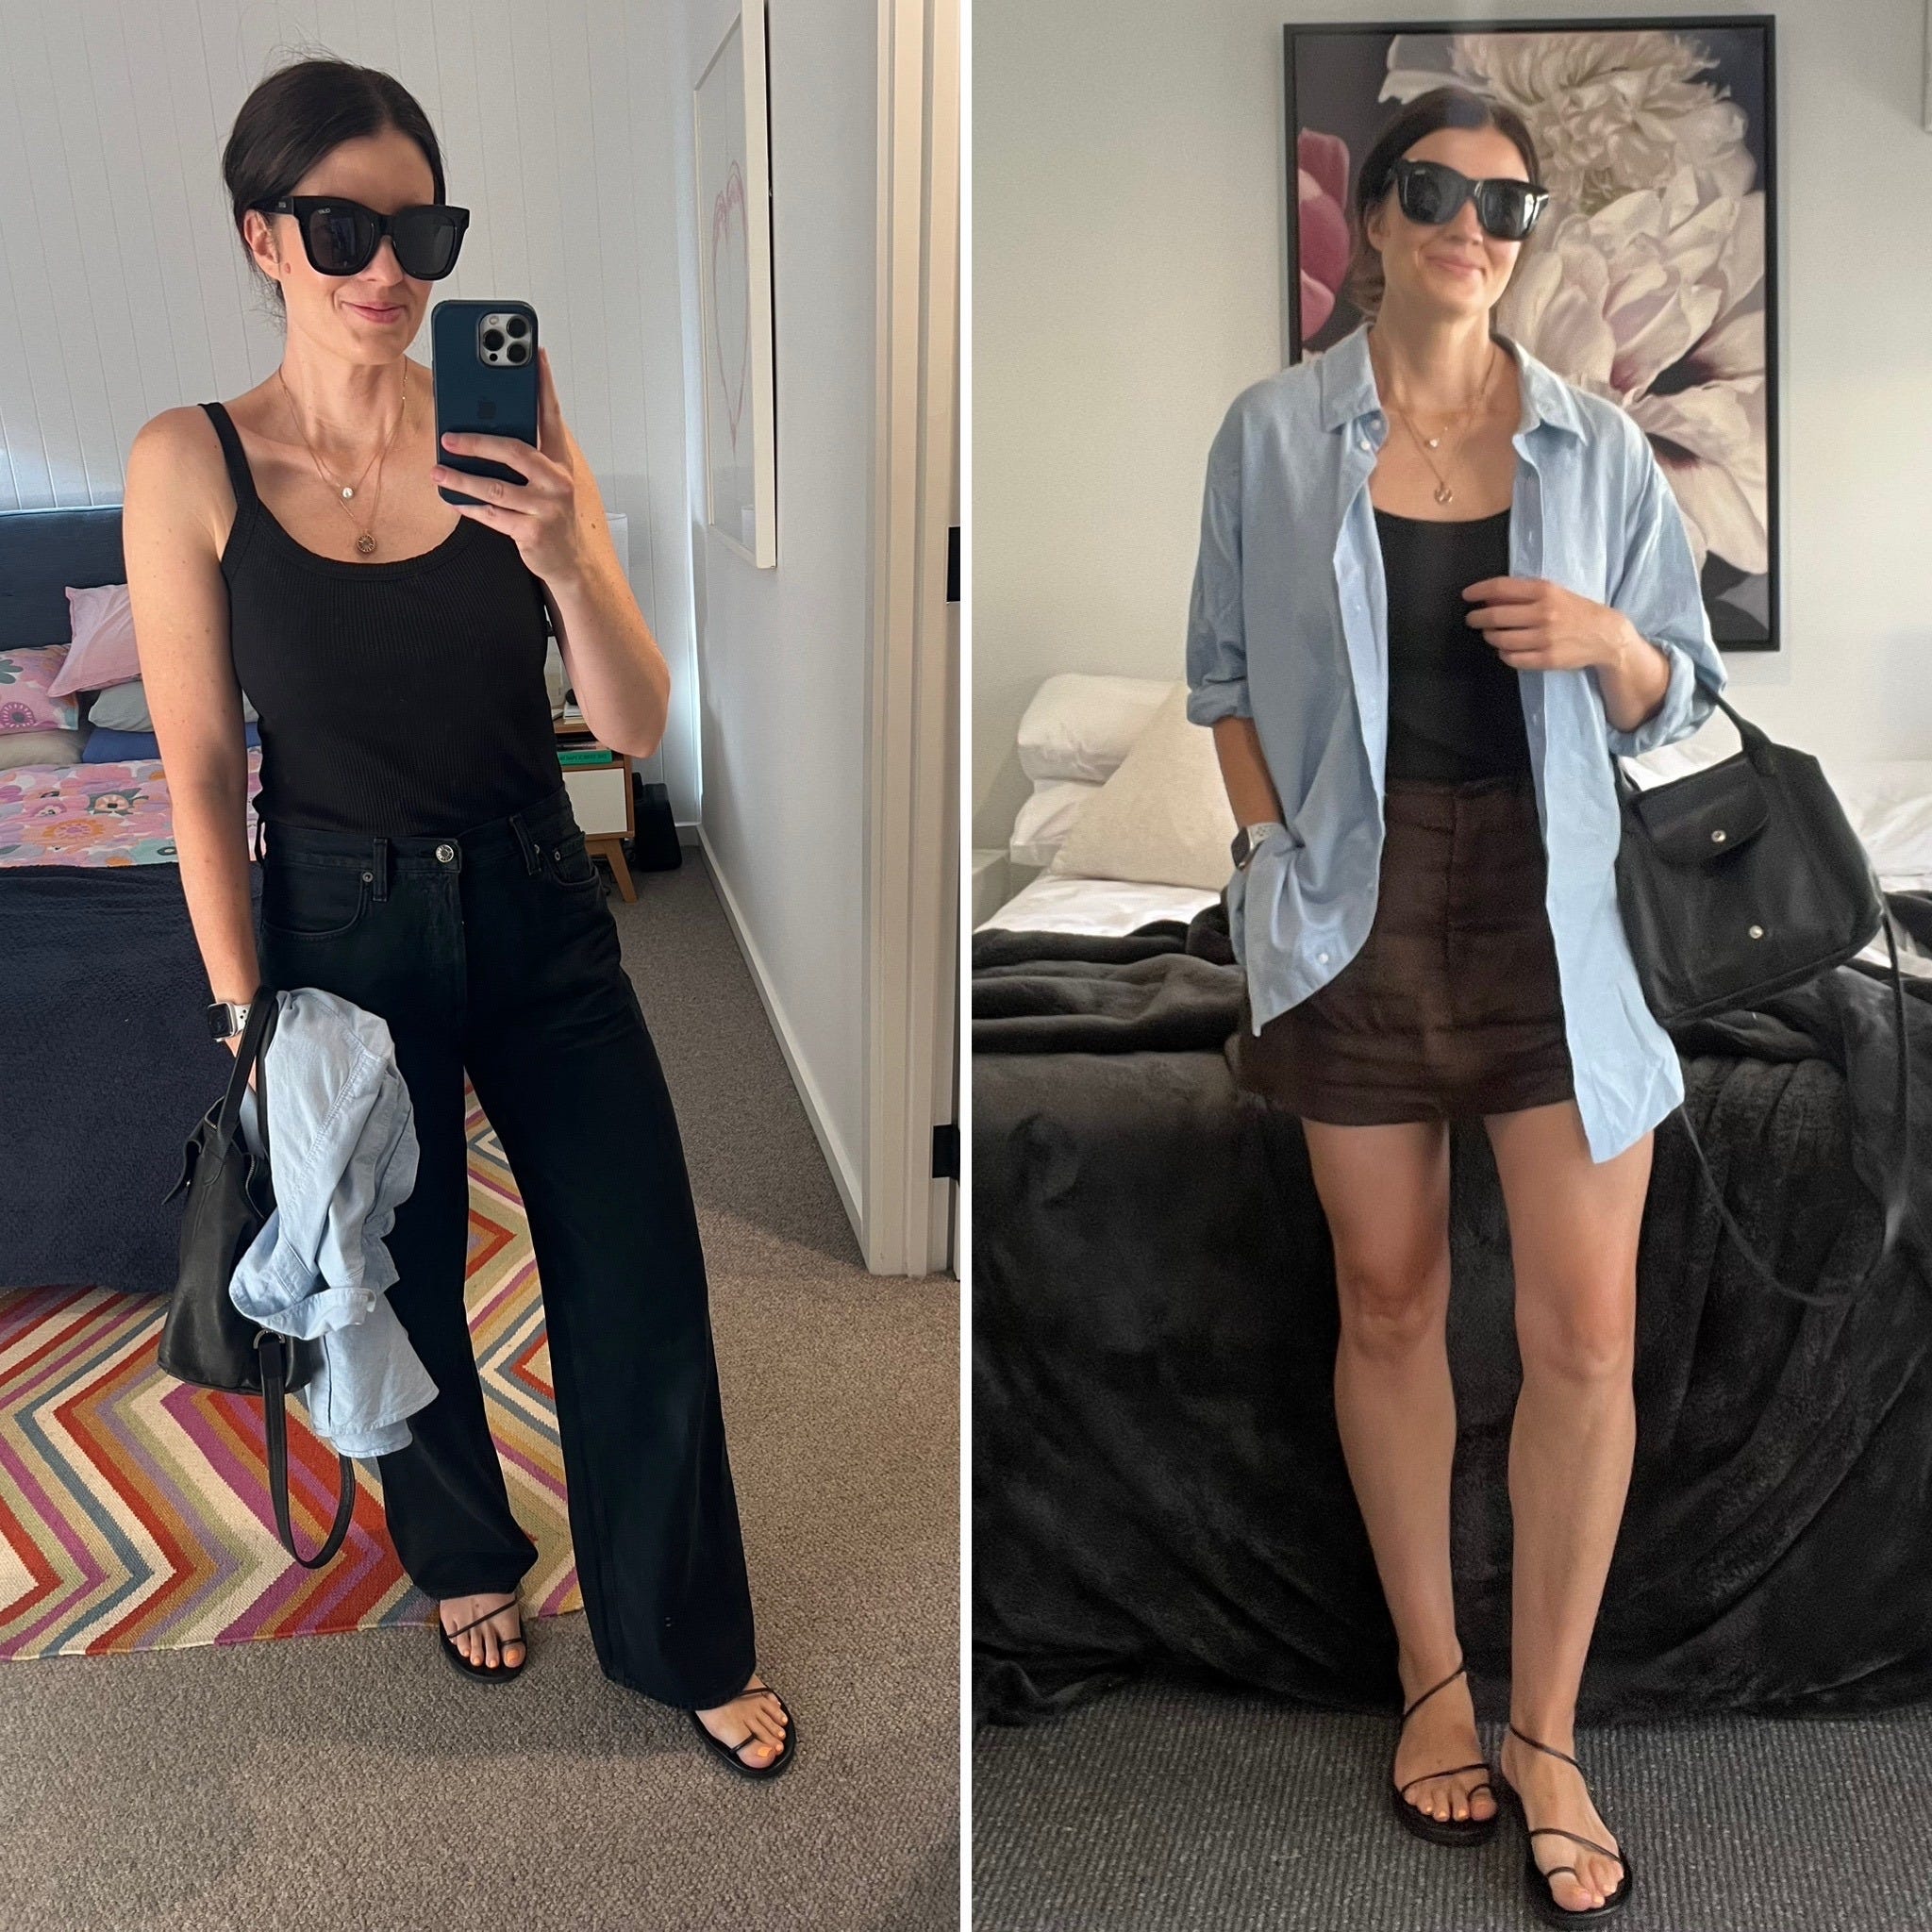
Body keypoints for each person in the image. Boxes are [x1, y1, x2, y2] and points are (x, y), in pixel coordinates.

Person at [125, 55, 792, 1778]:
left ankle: (680, 1631)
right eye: (340, 226)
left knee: (637, 1271)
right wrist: (245, 1011)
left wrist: (571, 553)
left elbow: (634, 725)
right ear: (263, 235)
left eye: (420, 229)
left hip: (538, 897)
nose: (386, 267)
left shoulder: (510, 431)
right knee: (395, 1274)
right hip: (334, 924)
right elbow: (197, 770)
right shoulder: (190, 462)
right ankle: (463, 1555)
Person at [1187, 85, 1727, 1918]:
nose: (1470, 226)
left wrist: (1610, 642)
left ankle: (1548, 1729)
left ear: (1531, 232)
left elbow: (1688, 701)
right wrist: (1272, 860)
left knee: (1584, 1336)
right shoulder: (1271, 435)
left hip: (1559, 907)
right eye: (1433, 189)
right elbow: (1221, 682)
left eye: (1507, 203)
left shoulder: (1598, 450)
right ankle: (1432, 1675)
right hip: (1350, 904)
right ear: (1377, 214)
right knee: (1389, 1297)